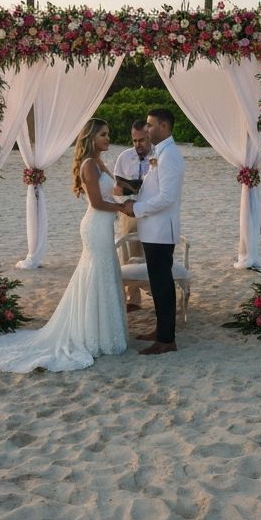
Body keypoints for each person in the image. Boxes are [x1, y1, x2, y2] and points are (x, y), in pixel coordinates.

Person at [0, 118, 128, 373]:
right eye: (103, 134)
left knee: (103, 272)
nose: (108, 138)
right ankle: (91, 334)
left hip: (104, 225)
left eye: (108, 133)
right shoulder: (89, 165)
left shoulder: (100, 162)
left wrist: (126, 189)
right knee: (96, 273)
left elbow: (109, 191)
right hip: (95, 225)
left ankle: (103, 332)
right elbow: (96, 202)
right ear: (91, 137)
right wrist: (122, 207)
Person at [119, 107, 185, 355]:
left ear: (164, 127)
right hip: (152, 230)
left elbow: (167, 197)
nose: (146, 129)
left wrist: (137, 208)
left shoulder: (171, 157)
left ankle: (167, 340)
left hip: (160, 232)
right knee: (158, 284)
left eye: (150, 125)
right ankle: (160, 331)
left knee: (162, 285)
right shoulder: (161, 153)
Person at [113, 120, 152, 311]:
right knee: (129, 251)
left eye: (141, 140)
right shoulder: (124, 157)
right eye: (134, 140)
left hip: (151, 211)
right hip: (129, 211)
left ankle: (154, 291)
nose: (137, 145)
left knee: (149, 252)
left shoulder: (158, 156)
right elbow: (117, 188)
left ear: (149, 136)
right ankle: (133, 299)